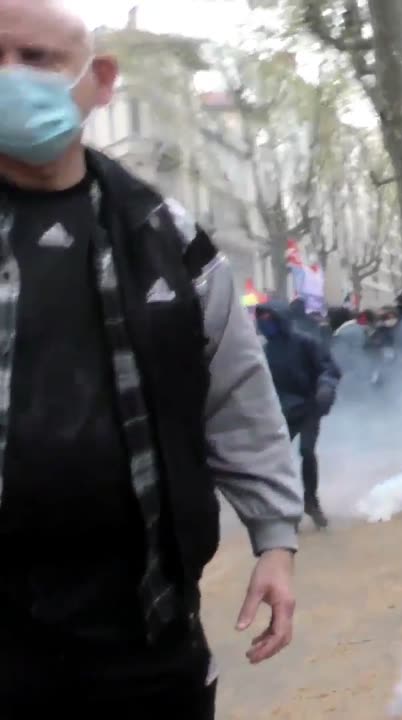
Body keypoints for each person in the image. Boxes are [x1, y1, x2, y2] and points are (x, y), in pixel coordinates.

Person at [0, 2, 301, 714]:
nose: (9, 78)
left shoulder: (167, 236)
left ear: (99, 80)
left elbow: (236, 396)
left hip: (145, 628)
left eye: (36, 58)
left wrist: (276, 541)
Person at [255, 301, 341, 529]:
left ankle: (311, 500)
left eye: (269, 320)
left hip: (309, 406)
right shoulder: (266, 351)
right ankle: (288, 506)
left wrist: (325, 387)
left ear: (279, 319)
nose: (265, 326)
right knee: (280, 459)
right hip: (282, 411)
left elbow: (328, 368)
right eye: (261, 322)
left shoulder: (305, 342)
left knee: (306, 451)